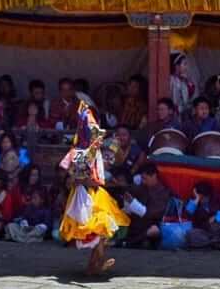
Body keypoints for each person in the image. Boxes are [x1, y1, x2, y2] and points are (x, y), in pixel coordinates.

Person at [58, 104, 131, 273]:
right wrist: (80, 180)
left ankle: (93, 266)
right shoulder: (78, 151)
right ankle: (97, 264)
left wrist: (115, 147)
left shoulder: (101, 148)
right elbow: (70, 178)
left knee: (102, 229)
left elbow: (115, 161)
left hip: (99, 195)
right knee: (98, 228)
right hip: (84, 196)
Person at [121, 164, 172, 248]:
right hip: (135, 224)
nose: (143, 181)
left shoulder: (163, 192)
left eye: (145, 178)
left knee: (153, 231)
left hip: (152, 225)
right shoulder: (141, 188)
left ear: (154, 176)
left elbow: (150, 214)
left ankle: (129, 243)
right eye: (142, 179)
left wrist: (133, 203)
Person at [183, 180, 220, 250]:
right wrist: (196, 200)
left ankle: (214, 244)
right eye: (199, 197)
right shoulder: (194, 202)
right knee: (190, 234)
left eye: (203, 197)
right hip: (206, 232)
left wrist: (216, 217)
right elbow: (187, 216)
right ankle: (216, 244)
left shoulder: (219, 198)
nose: (202, 199)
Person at [169, 53, 196, 119]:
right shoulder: (171, 79)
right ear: (176, 66)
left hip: (184, 113)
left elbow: (190, 95)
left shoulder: (185, 79)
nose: (186, 67)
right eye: (184, 64)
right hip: (174, 113)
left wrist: (187, 81)